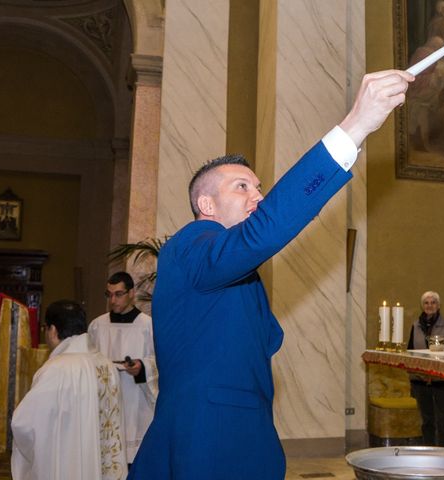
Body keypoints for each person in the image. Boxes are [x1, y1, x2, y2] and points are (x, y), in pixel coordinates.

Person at [128, 69, 412, 480]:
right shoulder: (190, 243)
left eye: (259, 187)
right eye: (242, 187)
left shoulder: (228, 268)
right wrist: (356, 126)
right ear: (206, 205)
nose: (258, 196)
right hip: (210, 439)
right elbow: (267, 230)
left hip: (242, 433)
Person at [11, 300, 127, 480]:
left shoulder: (56, 369)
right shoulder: (106, 365)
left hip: (66, 466)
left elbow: (24, 424)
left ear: (53, 330)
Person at [88, 272, 158, 465]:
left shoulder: (148, 326)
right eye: (109, 294)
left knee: (132, 460)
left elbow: (159, 361)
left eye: (118, 294)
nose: (113, 300)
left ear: (131, 293)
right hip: (105, 401)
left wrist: (141, 367)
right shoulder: (97, 325)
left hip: (135, 401)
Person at [407, 291, 444, 447]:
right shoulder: (415, 325)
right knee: (427, 421)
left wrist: (432, 372)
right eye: (426, 303)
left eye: (433, 302)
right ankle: (428, 453)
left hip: (442, 381)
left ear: (438, 305)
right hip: (420, 380)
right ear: (422, 305)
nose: (430, 305)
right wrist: (420, 373)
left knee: (443, 422)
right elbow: (410, 350)